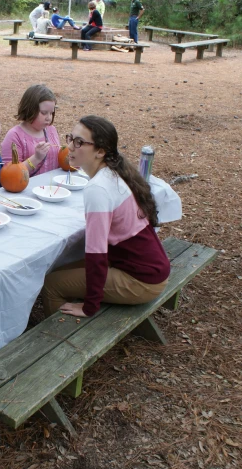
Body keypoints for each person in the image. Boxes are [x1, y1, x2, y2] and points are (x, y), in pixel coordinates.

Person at [42, 115, 170, 319]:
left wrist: (89, 306)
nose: (70, 147)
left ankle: (62, 344)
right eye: (70, 139)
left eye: (79, 142)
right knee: (55, 270)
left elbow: (96, 254)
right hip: (149, 268)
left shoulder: (98, 188)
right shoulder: (113, 172)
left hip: (142, 280)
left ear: (100, 151)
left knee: (51, 285)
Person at [1, 85, 60, 176]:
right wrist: (36, 158)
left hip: (53, 188)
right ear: (29, 109)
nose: (48, 118)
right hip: (27, 189)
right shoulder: (14, 136)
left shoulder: (51, 130)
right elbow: (9, 175)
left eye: (51, 113)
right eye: (44, 113)